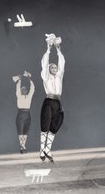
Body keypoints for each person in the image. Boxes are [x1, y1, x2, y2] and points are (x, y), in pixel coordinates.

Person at [39, 33, 65, 162]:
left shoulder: (59, 77)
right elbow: (44, 64)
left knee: (54, 127)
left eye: (56, 67)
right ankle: (41, 150)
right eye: (52, 67)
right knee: (45, 126)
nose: (54, 68)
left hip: (57, 103)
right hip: (48, 102)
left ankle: (47, 150)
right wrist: (49, 48)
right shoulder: (46, 76)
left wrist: (58, 49)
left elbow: (62, 62)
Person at [12, 71, 35, 154]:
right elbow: (17, 87)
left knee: (25, 132)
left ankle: (23, 147)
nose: (24, 89)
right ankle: (22, 147)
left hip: (28, 114)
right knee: (20, 132)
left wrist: (29, 78)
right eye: (23, 89)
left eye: (25, 89)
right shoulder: (19, 95)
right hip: (21, 114)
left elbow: (32, 88)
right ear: (21, 91)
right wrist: (20, 80)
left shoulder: (29, 96)